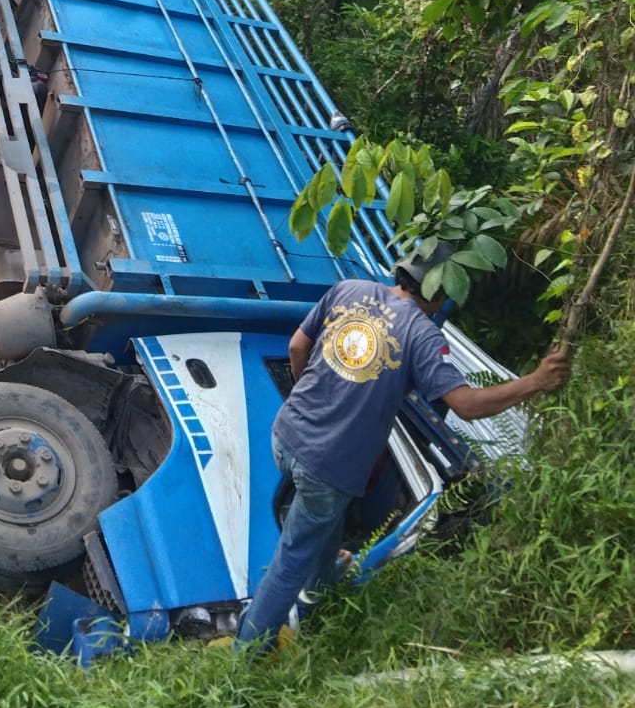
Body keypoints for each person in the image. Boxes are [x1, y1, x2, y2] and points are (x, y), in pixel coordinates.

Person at [234, 241, 572, 650]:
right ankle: (245, 659)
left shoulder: (348, 289)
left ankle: (322, 582)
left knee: (321, 522)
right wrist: (534, 382)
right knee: (291, 560)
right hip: (327, 466)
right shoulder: (422, 335)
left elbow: (296, 347)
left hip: (285, 433)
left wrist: (315, 398)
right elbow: (464, 404)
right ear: (439, 293)